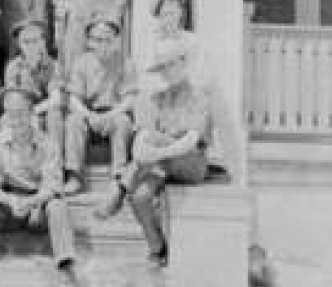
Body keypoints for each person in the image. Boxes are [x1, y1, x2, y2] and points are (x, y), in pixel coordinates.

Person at [94, 37, 240, 270]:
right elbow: (142, 138)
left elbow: (191, 140)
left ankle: (118, 188)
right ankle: (157, 247)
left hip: (190, 163)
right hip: (160, 163)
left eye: (172, 64)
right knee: (140, 195)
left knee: (152, 142)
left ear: (184, 63)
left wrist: (155, 151)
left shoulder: (200, 96)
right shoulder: (158, 98)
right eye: (163, 67)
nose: (167, 71)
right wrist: (147, 151)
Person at [0, 87, 80, 287]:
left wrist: (33, 201)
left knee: (58, 206)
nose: (15, 120)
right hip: (7, 205)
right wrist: (10, 200)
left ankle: (65, 269)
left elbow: (52, 187)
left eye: (20, 113)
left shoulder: (48, 144)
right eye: (10, 113)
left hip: (37, 207)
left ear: (32, 113)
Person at [63, 19, 138, 195]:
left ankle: (117, 177)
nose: (102, 43)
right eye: (97, 39)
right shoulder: (81, 62)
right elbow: (74, 98)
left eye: (107, 39)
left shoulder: (126, 63)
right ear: (89, 41)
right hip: (90, 114)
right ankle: (74, 177)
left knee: (123, 122)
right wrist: (89, 115)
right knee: (73, 121)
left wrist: (111, 115)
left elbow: (130, 99)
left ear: (116, 40)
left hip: (115, 113)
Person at [3, 19, 65, 163]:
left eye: (35, 40)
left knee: (55, 116)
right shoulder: (13, 67)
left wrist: (33, 111)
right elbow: (12, 101)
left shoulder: (53, 66)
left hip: (45, 110)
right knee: (12, 121)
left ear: (43, 42)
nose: (31, 45)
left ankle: (55, 166)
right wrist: (29, 113)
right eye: (26, 41)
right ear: (19, 44)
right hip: (21, 111)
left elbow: (56, 100)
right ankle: (22, 167)